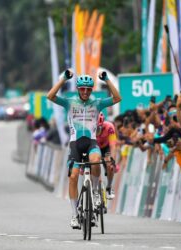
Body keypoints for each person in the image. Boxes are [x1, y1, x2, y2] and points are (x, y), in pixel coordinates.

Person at [47, 69, 121, 229]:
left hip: (91, 142)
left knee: (95, 161)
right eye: (83, 88)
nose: (86, 92)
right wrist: (63, 80)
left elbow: (117, 98)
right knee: (73, 177)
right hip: (75, 145)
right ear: (78, 89)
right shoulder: (69, 102)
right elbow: (50, 96)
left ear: (91, 90)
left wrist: (107, 80)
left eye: (88, 89)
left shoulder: (97, 104)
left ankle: (95, 192)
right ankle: (74, 215)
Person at [96, 112, 118, 200]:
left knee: (110, 165)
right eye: (95, 128)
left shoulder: (110, 127)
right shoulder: (88, 128)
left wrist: (112, 160)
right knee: (94, 164)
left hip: (106, 147)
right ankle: (97, 186)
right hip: (95, 147)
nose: (97, 131)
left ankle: (109, 187)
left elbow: (113, 146)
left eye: (99, 128)